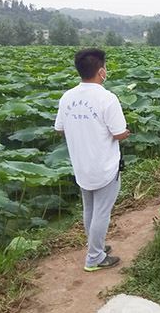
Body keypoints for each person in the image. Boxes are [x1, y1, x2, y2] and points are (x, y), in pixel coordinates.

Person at [54, 48, 130, 272]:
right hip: (104, 166)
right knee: (102, 213)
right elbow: (118, 133)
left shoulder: (67, 97)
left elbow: (59, 129)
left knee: (90, 209)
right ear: (101, 71)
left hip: (81, 165)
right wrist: (126, 133)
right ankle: (94, 257)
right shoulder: (107, 98)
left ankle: (94, 247)